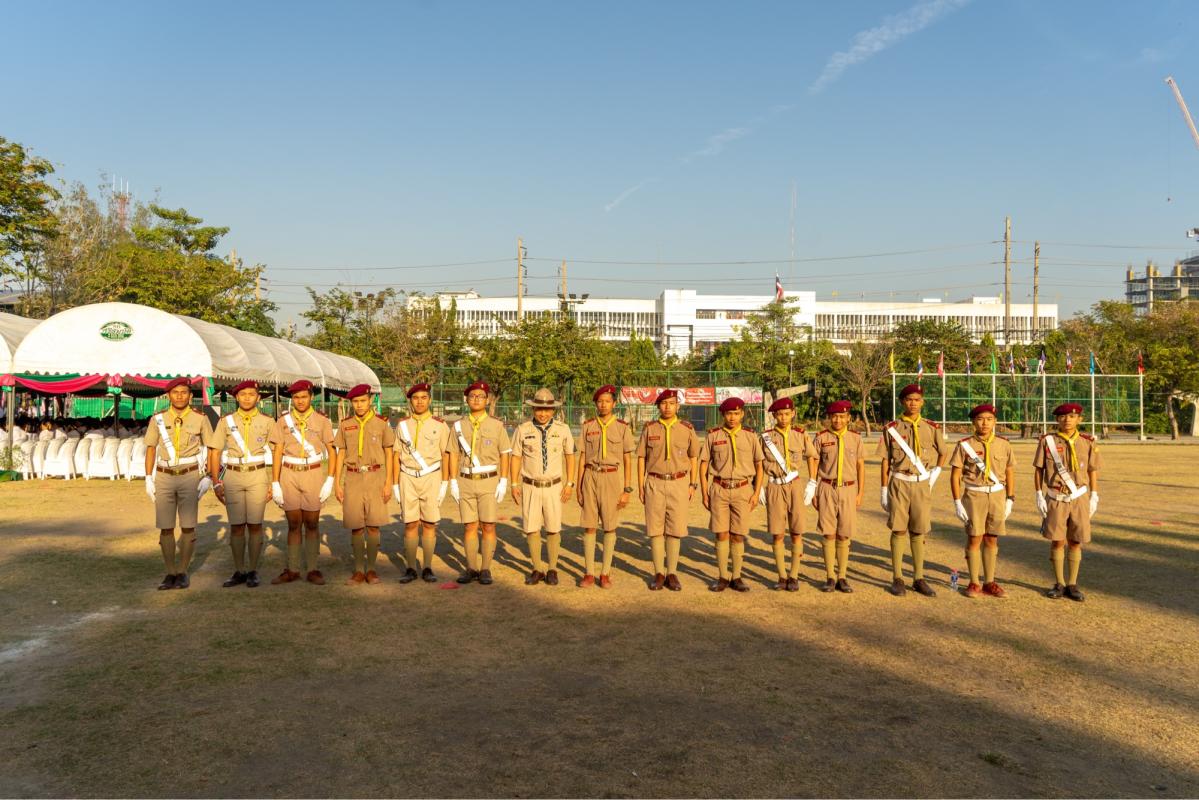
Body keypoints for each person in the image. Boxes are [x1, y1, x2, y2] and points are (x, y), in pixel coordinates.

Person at [877, 383, 948, 597]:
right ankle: (897, 578)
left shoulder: (931, 427)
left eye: (917, 399)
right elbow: (885, 461)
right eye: (909, 399)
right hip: (899, 482)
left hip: (921, 484)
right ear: (902, 402)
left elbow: (943, 453)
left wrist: (934, 474)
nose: (913, 403)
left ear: (922, 402)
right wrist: (882, 489)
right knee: (898, 530)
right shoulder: (892, 428)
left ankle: (919, 578)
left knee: (918, 530)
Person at [143, 377, 214, 590]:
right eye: (175, 392)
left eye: (184, 392)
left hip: (190, 475)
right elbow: (150, 448)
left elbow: (212, 448)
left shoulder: (200, 418)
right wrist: (148, 477)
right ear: (168, 396)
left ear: (191, 395)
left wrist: (209, 476)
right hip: (164, 475)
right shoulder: (157, 419)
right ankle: (170, 572)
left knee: (188, 526)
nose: (180, 396)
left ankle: (182, 571)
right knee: (165, 527)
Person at [208, 380, 276, 589]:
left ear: (258, 397)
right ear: (236, 397)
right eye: (243, 394)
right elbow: (215, 451)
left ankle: (253, 570)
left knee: (255, 525)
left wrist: (275, 482)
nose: (247, 397)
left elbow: (277, 451)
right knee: (236, 526)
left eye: (251, 394)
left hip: (257, 475)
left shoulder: (267, 421)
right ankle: (239, 570)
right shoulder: (225, 421)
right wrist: (216, 482)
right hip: (233, 476)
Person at [269, 379, 336, 585]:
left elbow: (332, 450)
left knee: (312, 523)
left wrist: (330, 479)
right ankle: (293, 568)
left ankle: (313, 569)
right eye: (296, 397)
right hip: (289, 473)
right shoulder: (283, 421)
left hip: (313, 472)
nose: (300, 401)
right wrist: (275, 482)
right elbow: (278, 451)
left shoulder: (322, 421)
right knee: (294, 523)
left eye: (304, 397)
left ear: (311, 397)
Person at [1033, 403, 1101, 601]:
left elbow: (1092, 470)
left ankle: (1072, 584)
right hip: (1056, 496)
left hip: (1079, 496)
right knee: (1057, 540)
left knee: (1075, 541)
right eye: (1062, 417)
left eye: (1072, 416)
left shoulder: (1087, 442)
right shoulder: (1048, 441)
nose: (1067, 420)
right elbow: (1039, 469)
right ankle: (1059, 583)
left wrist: (1094, 494)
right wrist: (1038, 493)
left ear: (1079, 419)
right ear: (1057, 420)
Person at [330, 384, 395, 585]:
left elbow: (389, 453)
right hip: (353, 477)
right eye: (355, 401)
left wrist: (389, 482)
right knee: (356, 527)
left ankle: (372, 569)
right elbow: (340, 453)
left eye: (363, 401)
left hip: (376, 476)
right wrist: (337, 483)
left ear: (370, 400)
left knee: (373, 526)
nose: (359, 405)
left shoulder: (382, 423)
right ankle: (359, 570)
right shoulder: (345, 424)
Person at [949, 403, 1016, 598]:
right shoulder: (965, 445)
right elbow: (955, 476)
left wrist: (1010, 498)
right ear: (973, 422)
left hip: (997, 495)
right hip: (974, 495)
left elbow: (1010, 472)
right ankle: (974, 582)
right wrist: (957, 501)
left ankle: (989, 581)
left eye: (989, 419)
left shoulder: (1004, 444)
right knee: (974, 537)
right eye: (980, 419)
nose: (985, 423)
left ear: (995, 421)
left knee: (992, 538)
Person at [511, 388, 576, 586]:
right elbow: (516, 457)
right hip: (530, 485)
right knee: (532, 528)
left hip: (554, 486)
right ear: (533, 408)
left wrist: (569, 483)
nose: (543, 413)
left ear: (553, 410)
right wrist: (514, 483)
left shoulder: (562, 429)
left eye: (547, 410)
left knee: (553, 528)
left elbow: (570, 456)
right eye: (539, 409)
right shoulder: (523, 430)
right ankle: (537, 568)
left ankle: (553, 569)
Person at [699, 397, 765, 592]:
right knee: (721, 534)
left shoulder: (750, 436)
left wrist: (756, 492)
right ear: (723, 415)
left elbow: (759, 465)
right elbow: (703, 465)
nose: (733, 417)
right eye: (729, 413)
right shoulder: (713, 436)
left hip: (743, 489)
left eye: (736, 413)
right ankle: (722, 577)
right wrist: (704, 492)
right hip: (719, 488)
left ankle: (736, 576)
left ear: (742, 414)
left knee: (738, 534)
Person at [636, 389, 699, 591]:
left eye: (671, 403)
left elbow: (693, 457)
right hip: (654, 481)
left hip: (679, 483)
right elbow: (641, 458)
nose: (667, 407)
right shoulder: (650, 428)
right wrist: (640, 485)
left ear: (677, 406)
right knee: (655, 530)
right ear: (658, 406)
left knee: (675, 529)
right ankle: (659, 573)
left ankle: (672, 572)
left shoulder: (687, 429)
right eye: (663, 404)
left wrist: (693, 484)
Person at [448, 381, 511, 586]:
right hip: (466, 480)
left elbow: (505, 454)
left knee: (489, 525)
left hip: (489, 481)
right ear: (466, 399)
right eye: (472, 396)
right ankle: (471, 567)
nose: (476, 399)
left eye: (480, 396)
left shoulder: (496, 425)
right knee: (469, 526)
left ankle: (485, 568)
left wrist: (503, 480)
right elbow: (453, 454)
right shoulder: (458, 426)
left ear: (487, 400)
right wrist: (452, 481)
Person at [576, 385, 635, 588]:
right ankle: (589, 572)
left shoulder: (622, 427)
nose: (603, 404)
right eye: (600, 401)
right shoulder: (588, 426)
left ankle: (605, 572)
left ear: (614, 404)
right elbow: (582, 457)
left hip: (611, 478)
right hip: (591, 476)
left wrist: (627, 489)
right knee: (589, 525)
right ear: (596, 404)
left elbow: (628, 459)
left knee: (609, 526)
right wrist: (578, 486)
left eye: (607, 401)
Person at [392, 382, 451, 584]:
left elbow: (446, 455)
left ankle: (427, 567)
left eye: (424, 397)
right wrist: (394, 484)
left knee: (429, 523)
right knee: (410, 523)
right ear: (410, 400)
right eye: (416, 398)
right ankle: (410, 568)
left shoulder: (440, 425)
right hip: (407, 476)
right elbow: (396, 454)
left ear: (430, 400)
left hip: (431, 477)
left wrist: (445, 483)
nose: (419, 401)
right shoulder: (402, 425)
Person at [759, 396, 819, 591]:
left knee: (796, 532)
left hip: (795, 485)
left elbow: (812, 456)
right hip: (775, 486)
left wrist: (812, 481)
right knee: (777, 533)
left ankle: (794, 575)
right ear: (774, 416)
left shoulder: (801, 434)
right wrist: (758, 486)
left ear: (793, 413)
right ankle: (782, 575)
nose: (783, 417)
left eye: (787, 413)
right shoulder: (766, 437)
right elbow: (758, 463)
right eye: (779, 414)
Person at [811, 401, 865, 593]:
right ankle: (830, 577)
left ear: (848, 418)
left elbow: (860, 466)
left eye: (842, 416)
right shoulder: (821, 438)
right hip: (826, 488)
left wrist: (860, 493)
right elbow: (815, 465)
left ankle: (842, 576)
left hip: (848, 489)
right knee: (828, 532)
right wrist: (814, 491)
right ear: (829, 418)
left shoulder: (855, 438)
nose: (838, 420)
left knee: (844, 533)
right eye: (834, 416)